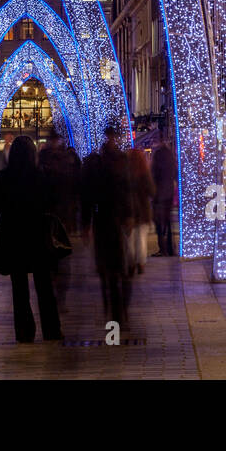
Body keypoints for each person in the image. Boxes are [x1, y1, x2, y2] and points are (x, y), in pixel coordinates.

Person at [0, 135, 61, 343]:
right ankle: (51, 330)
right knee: (44, 286)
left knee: (19, 288)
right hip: (37, 235)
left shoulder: (3, 177)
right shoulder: (41, 176)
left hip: (13, 237)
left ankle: (24, 332)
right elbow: (51, 202)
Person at [81, 123, 133, 325]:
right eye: (110, 137)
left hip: (115, 219)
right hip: (104, 219)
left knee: (118, 268)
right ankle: (115, 312)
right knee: (110, 269)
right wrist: (86, 223)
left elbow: (127, 189)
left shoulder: (119, 161)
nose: (112, 140)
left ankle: (117, 310)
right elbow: (88, 195)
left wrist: (129, 215)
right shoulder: (99, 163)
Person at [126, 146, 155, 275]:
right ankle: (141, 263)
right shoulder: (144, 173)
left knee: (129, 239)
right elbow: (152, 191)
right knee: (141, 239)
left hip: (129, 210)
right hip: (143, 210)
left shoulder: (125, 174)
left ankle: (131, 263)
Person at [150, 143, 178, 257]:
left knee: (159, 224)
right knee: (168, 223)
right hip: (169, 194)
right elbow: (176, 175)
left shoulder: (157, 161)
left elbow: (153, 176)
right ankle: (170, 248)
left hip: (159, 195)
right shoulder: (171, 161)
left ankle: (163, 248)